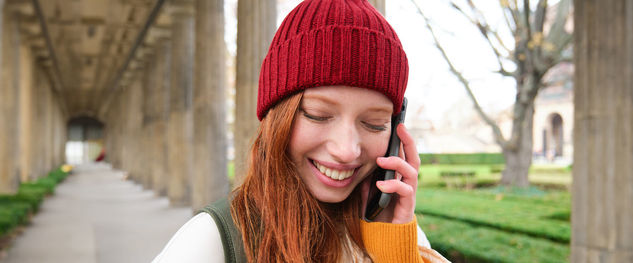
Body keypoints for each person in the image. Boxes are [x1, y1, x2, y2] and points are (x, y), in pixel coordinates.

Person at [153, 0, 448, 262]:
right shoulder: (212, 241)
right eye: (318, 115)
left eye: (374, 124)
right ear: (276, 116)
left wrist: (394, 248)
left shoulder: (403, 235)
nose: (346, 150)